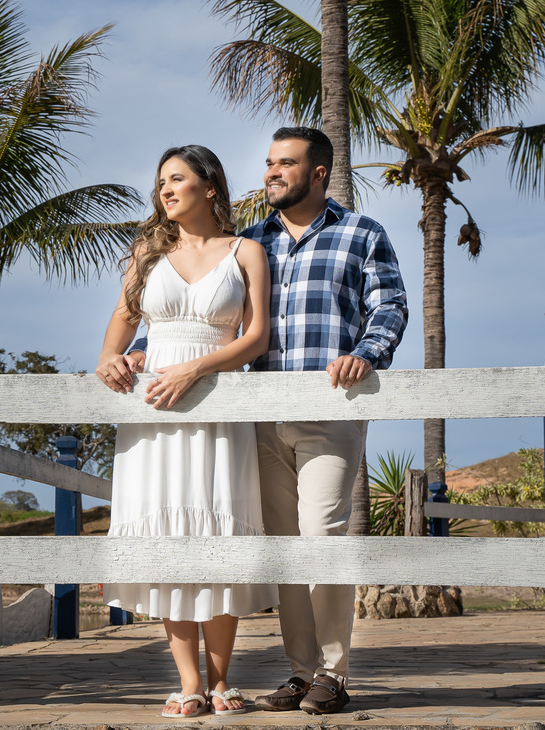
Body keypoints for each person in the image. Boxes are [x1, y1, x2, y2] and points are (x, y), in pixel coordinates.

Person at [101, 127, 409, 715]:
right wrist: (137, 354)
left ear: (318, 172)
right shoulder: (254, 240)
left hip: (327, 408)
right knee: (283, 546)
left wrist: (366, 355)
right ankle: (301, 672)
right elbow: (182, 315)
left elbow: (389, 305)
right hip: (256, 417)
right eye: (269, 162)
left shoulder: (360, 233)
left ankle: (332, 673)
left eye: (285, 163)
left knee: (322, 537)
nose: (271, 172)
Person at [96, 144, 276, 718]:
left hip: (218, 403)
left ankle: (222, 681)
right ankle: (189, 681)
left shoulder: (246, 251)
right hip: (154, 410)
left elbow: (255, 338)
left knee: (218, 529)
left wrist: (195, 369)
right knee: (168, 535)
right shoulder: (146, 253)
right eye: (161, 183)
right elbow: (122, 323)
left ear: (210, 185)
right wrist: (111, 358)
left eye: (177, 179)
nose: (166, 190)